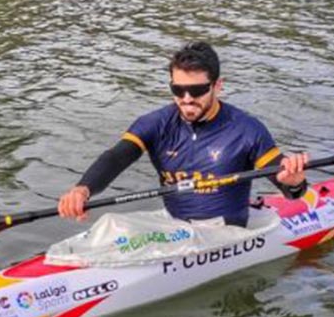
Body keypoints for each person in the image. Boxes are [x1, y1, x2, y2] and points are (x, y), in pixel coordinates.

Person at [58, 41, 308, 227]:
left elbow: (290, 190)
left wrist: (294, 183)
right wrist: (83, 189)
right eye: (178, 89)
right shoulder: (156, 123)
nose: (187, 99)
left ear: (217, 86)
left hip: (226, 234)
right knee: (109, 224)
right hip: (175, 227)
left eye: (197, 90)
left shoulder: (246, 129)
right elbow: (116, 157)